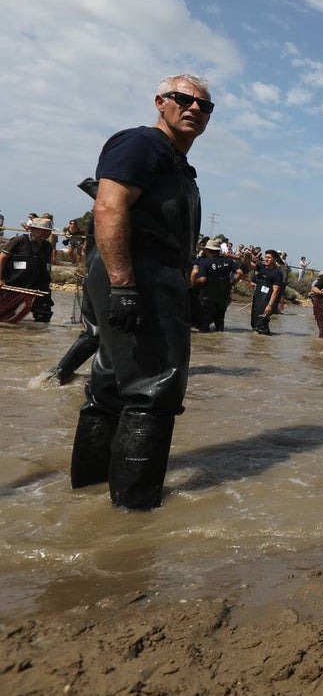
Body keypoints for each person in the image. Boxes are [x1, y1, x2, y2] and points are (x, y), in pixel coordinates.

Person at [68, 73, 211, 510]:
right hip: (137, 275)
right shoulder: (142, 144)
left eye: (204, 106)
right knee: (155, 389)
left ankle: (89, 496)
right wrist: (125, 285)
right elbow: (108, 206)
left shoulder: (176, 163)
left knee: (110, 386)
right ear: (160, 102)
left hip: (143, 276)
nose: (193, 108)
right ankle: (134, 516)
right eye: (182, 99)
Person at [0, 215, 55, 321]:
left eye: (48, 231)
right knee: (7, 314)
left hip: (39, 288)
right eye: (43, 230)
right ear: (32, 229)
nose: (46, 233)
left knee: (43, 316)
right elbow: (2, 258)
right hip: (14, 286)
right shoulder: (19, 241)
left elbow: (48, 266)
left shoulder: (47, 246)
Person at [190, 238, 243, 332]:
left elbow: (202, 279)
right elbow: (240, 273)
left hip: (207, 296)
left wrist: (192, 284)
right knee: (219, 323)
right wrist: (232, 283)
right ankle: (219, 341)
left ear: (207, 250)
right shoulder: (229, 261)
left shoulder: (204, 262)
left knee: (204, 324)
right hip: (223, 296)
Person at [250, 249, 285, 335]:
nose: (266, 259)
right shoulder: (261, 267)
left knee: (262, 324)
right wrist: (247, 256)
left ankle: (265, 341)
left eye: (269, 258)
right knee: (254, 323)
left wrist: (270, 305)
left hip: (267, 301)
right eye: (265, 257)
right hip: (257, 299)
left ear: (274, 259)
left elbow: (276, 291)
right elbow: (249, 265)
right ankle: (256, 344)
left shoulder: (277, 273)